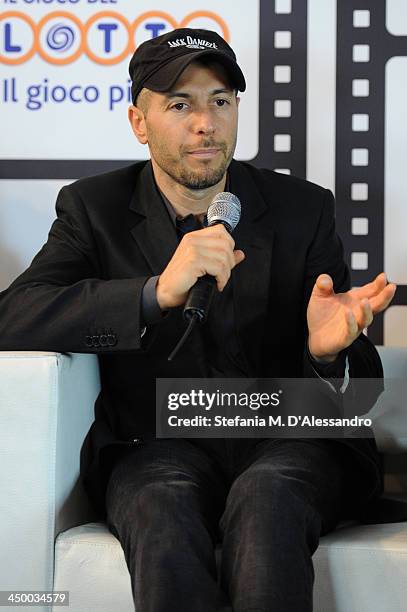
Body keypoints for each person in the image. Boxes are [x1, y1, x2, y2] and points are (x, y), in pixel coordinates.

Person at [0, 27, 398, 612]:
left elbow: (358, 392)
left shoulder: (302, 209)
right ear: (139, 121)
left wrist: (326, 354)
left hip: (289, 438)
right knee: (161, 510)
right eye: (179, 104)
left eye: (221, 101)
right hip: (155, 445)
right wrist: (153, 293)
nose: (205, 124)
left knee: (268, 499)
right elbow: (14, 315)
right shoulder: (94, 208)